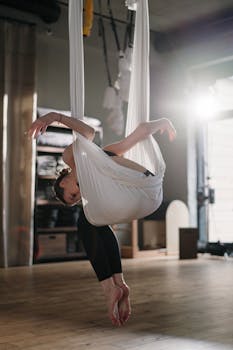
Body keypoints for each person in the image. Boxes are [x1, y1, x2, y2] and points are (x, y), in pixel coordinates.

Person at [28, 112, 176, 326]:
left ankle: (109, 289)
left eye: (72, 195)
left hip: (146, 191)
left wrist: (52, 117)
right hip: (146, 197)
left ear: (63, 181)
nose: (78, 196)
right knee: (93, 220)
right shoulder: (106, 160)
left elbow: (89, 132)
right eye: (75, 200)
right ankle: (119, 283)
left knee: (87, 219)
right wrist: (162, 122)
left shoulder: (73, 158)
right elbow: (140, 133)